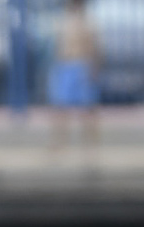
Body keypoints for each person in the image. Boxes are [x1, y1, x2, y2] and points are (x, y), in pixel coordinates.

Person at [48, 0, 101, 149]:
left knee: (87, 108)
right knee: (60, 107)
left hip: (82, 65)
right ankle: (59, 142)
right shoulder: (63, 21)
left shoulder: (89, 22)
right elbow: (58, 47)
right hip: (65, 66)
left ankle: (90, 143)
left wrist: (94, 67)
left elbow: (95, 47)